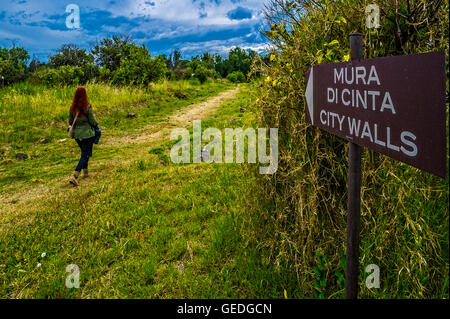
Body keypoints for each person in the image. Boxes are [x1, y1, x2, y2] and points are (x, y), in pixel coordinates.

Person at [68, 87, 99, 186]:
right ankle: (75, 175)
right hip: (87, 134)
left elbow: (70, 122)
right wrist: (97, 126)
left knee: (84, 152)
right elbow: (92, 121)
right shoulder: (87, 107)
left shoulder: (72, 108)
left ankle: (86, 172)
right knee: (85, 154)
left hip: (77, 134)